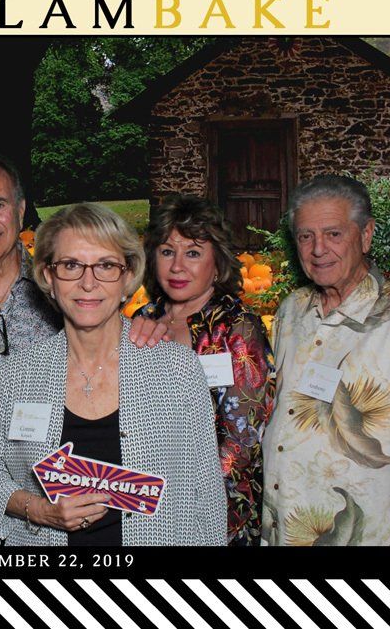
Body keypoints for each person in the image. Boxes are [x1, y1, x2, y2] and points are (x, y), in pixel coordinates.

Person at [0, 150, 168, 545]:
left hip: (65, 511)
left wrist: (150, 325)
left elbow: (112, 328)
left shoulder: (65, 288)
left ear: (20, 210)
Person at [0, 203, 225, 546]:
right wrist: (39, 510)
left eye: (105, 265)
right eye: (71, 265)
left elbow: (207, 498)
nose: (88, 283)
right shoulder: (18, 375)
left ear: (127, 277)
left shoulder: (177, 370)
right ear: (48, 276)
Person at [261, 175, 390, 546]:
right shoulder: (291, 311)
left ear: (366, 235)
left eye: (333, 234)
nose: (318, 249)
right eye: (305, 236)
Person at [138, 194, 275, 546]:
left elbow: (243, 439)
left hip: (219, 509)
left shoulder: (237, 328)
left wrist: (178, 493)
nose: (177, 266)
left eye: (193, 253)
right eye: (167, 251)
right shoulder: (142, 320)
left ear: (218, 263)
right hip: (144, 502)